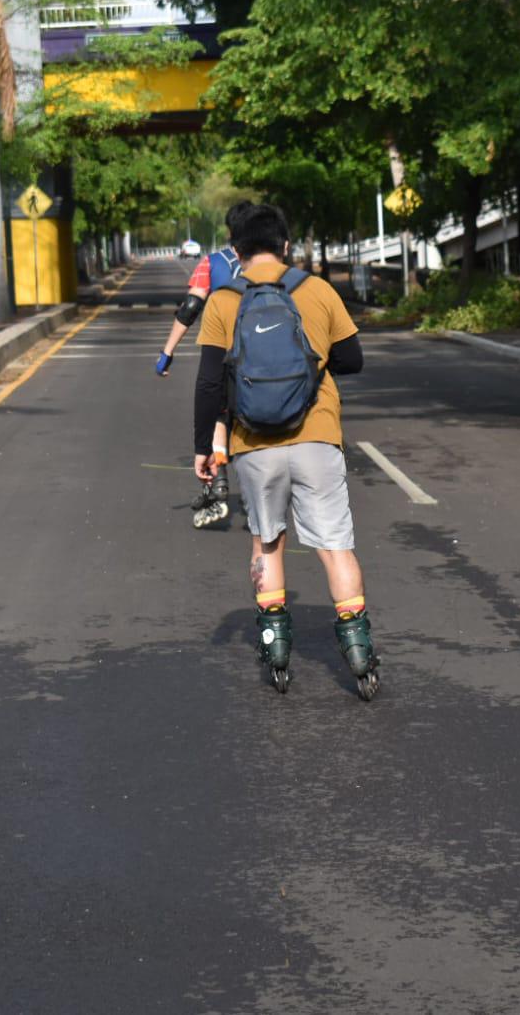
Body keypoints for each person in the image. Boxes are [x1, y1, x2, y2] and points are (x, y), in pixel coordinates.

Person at [191, 203, 379, 698]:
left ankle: (275, 648)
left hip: (253, 443)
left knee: (266, 543)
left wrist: (203, 447)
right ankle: (359, 654)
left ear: (236, 251)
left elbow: (210, 383)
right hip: (317, 435)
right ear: (287, 245)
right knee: (335, 547)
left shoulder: (224, 299)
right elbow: (353, 360)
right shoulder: (315, 289)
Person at [159, 201, 254, 527]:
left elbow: (190, 307)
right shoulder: (272, 265)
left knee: (218, 409)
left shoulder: (212, 263)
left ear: (229, 231)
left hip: (221, 348)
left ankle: (219, 481)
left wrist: (167, 350)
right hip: (264, 352)